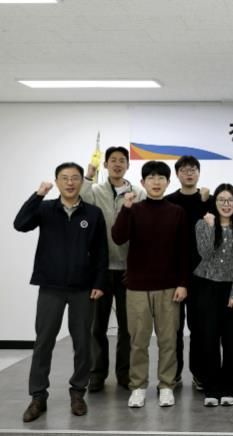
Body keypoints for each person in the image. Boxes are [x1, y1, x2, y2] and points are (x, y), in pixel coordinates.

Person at [15, 162, 108, 422]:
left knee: (83, 343)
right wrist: (37, 195)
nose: (70, 182)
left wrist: (99, 283)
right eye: (64, 178)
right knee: (44, 342)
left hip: (83, 288)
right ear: (56, 182)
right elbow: (20, 224)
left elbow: (101, 252)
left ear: (81, 182)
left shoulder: (93, 213)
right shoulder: (45, 209)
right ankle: (38, 397)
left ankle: (78, 392)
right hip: (50, 286)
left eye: (75, 178)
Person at [111, 160, 188, 408]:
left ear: (168, 182)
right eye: (151, 178)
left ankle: (166, 385)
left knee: (168, 340)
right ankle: (138, 386)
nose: (156, 182)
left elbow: (183, 250)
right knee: (138, 341)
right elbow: (118, 237)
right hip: (137, 287)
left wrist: (182, 283)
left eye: (161, 178)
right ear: (143, 183)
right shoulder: (133, 209)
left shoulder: (176, 211)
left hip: (169, 287)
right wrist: (125, 208)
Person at [81, 146, 146, 392]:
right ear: (106, 164)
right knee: (97, 326)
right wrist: (89, 175)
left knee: (128, 328)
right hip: (100, 269)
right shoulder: (95, 191)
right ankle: (96, 374)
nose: (118, 164)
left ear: (128, 165)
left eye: (122, 160)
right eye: (113, 160)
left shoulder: (138, 193)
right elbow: (81, 200)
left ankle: (125, 374)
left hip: (130, 269)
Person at [191, 184, 233, 407]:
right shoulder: (203, 224)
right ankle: (211, 388)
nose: (226, 204)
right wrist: (209, 226)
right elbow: (204, 253)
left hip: (231, 289)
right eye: (221, 200)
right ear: (214, 203)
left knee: (232, 341)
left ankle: (229, 388)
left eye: (230, 200)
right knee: (209, 339)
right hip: (206, 287)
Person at [164, 155, 211, 389]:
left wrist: (206, 203)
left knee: (199, 328)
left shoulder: (209, 200)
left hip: (202, 274)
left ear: (199, 173)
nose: (189, 173)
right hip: (174, 274)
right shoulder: (168, 201)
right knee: (173, 328)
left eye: (193, 169)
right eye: (184, 170)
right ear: (177, 174)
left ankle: (200, 373)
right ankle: (173, 373)